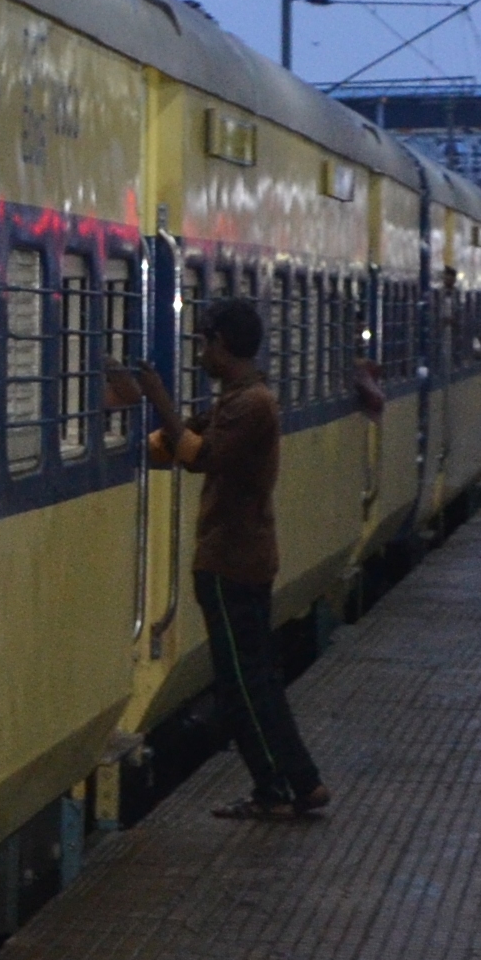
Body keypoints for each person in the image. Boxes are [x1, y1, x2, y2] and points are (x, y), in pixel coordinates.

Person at [132, 295, 327, 823]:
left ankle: (277, 787)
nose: (199, 352)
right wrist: (147, 429)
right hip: (238, 557)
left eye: (202, 342)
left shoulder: (251, 405)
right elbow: (181, 441)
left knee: (244, 684)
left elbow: (203, 456)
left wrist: (157, 398)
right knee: (254, 678)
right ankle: (300, 782)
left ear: (221, 345)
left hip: (233, 560)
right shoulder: (238, 399)